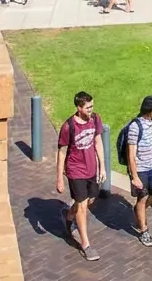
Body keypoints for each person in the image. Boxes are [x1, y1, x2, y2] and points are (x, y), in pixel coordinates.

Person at [56, 90, 106, 261]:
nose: (91, 110)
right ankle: (86, 245)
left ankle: (69, 215)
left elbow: (98, 142)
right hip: (75, 170)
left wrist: (102, 167)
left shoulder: (95, 119)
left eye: (92, 106)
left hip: (91, 169)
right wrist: (59, 179)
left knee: (90, 201)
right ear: (79, 108)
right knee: (82, 206)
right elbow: (62, 152)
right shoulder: (68, 126)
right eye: (88, 108)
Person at [126, 95, 152, 247]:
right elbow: (131, 154)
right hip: (141, 169)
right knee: (142, 198)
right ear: (151, 109)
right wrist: (134, 176)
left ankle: (138, 210)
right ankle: (144, 230)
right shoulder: (135, 127)